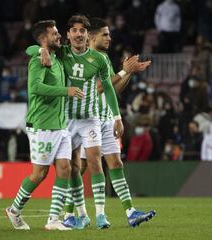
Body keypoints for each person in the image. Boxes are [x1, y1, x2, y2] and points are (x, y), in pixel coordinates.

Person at [26, 15, 123, 229]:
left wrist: (117, 117)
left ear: (88, 35)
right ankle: (81, 214)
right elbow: (30, 49)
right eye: (74, 30)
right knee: (72, 168)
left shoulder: (99, 59)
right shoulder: (61, 52)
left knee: (95, 161)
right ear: (68, 35)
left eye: (83, 31)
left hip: (90, 119)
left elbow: (107, 88)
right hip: (66, 119)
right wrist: (40, 50)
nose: (78, 34)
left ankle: (101, 215)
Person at [67, 17, 156, 228]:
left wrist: (129, 74)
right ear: (93, 36)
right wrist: (124, 71)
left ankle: (130, 212)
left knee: (115, 163)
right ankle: (68, 214)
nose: (109, 37)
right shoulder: (84, 59)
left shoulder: (103, 58)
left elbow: (111, 90)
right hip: (89, 120)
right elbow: (97, 88)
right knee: (78, 168)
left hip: (106, 118)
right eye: (105, 34)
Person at [5, 20, 84, 231]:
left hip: (60, 124)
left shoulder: (56, 58)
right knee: (39, 174)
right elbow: (36, 88)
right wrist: (65, 91)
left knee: (65, 169)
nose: (59, 36)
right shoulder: (38, 60)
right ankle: (14, 210)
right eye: (55, 34)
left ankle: (53, 220)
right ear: (43, 38)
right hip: (42, 125)